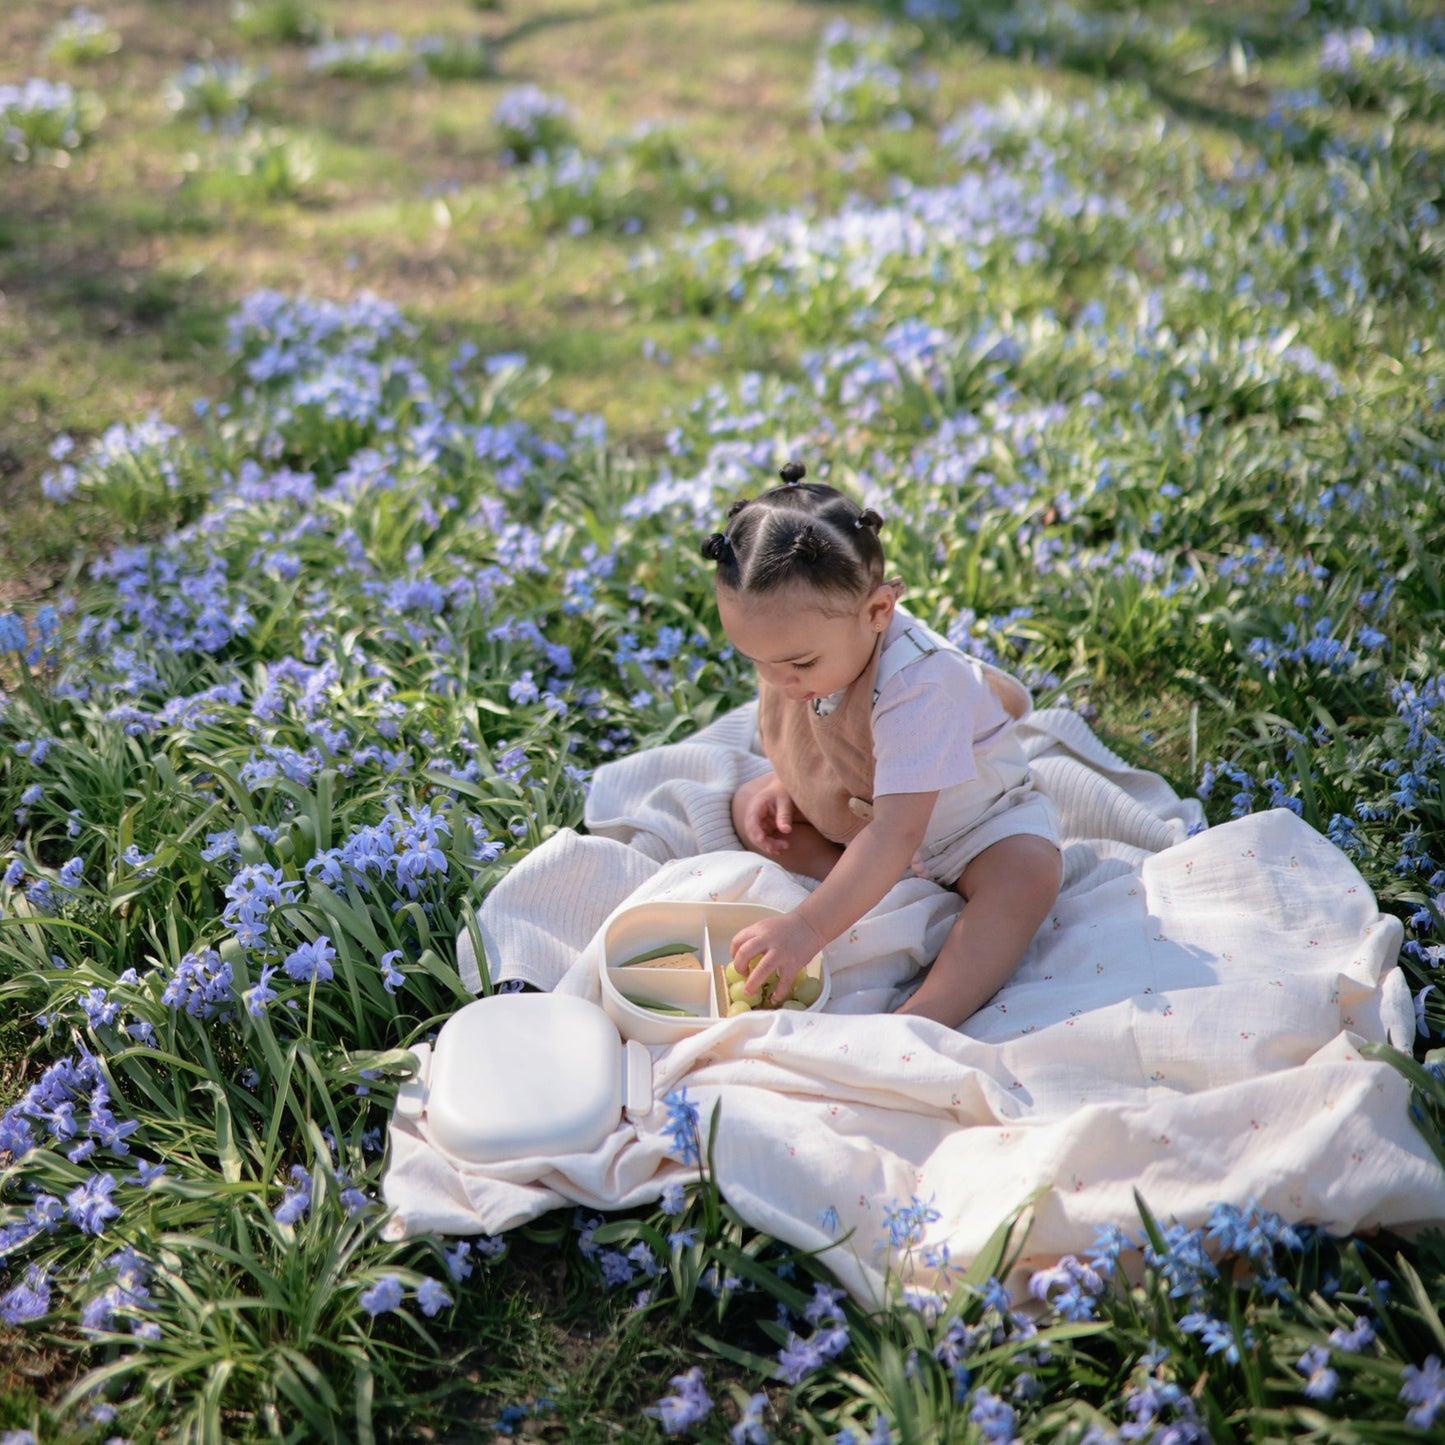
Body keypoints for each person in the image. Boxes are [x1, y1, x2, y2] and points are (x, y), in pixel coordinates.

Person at [699, 461, 1062, 1029]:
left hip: (974, 828)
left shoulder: (919, 685)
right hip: (867, 804)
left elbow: (899, 830)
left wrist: (806, 928)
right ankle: (883, 892)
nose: (779, 683)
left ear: (878, 612)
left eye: (797, 664)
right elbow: (833, 734)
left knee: (1029, 875)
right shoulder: (808, 648)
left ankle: (926, 1012)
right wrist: (786, 780)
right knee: (759, 815)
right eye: (758, 663)